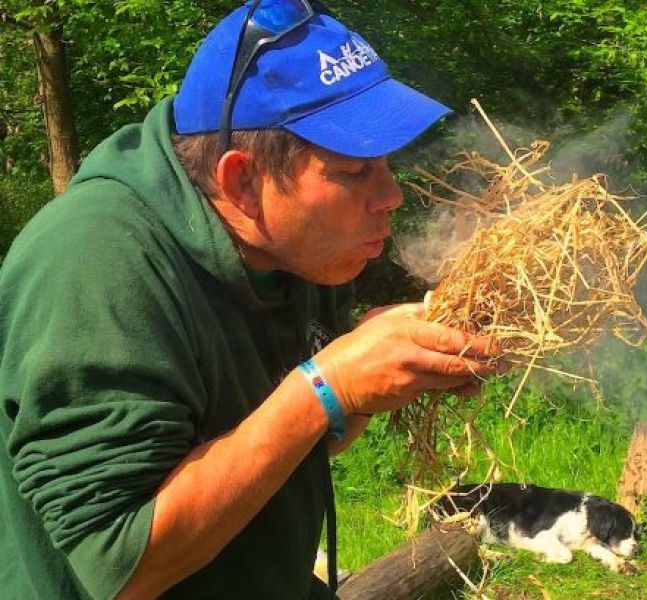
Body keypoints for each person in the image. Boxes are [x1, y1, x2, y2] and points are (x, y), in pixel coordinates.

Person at [0, 2, 498, 599]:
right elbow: (122, 566)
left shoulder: (299, 249)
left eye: (386, 164)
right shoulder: (96, 263)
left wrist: (369, 386)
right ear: (242, 180)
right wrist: (326, 386)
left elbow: (293, 439)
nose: (392, 195)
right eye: (355, 170)